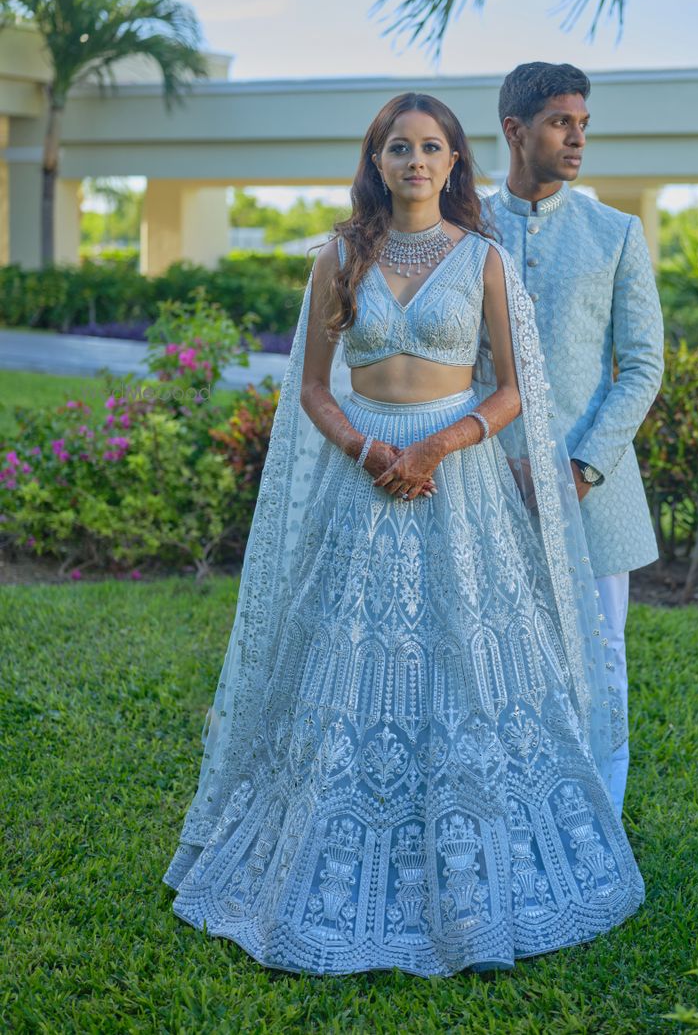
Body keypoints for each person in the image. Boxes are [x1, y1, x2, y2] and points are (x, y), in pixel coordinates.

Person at [163, 92, 644, 977]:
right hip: (365, 479)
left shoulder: (488, 260)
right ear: (376, 160)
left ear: (456, 162)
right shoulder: (339, 257)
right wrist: (368, 448)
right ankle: (309, 852)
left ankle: (485, 858)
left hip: (457, 488)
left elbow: (511, 391)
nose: (416, 160)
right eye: (399, 147)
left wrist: (436, 447)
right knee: (341, 665)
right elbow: (312, 387)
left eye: (431, 146)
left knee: (465, 659)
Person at [482, 63, 665, 818]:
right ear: (515, 131)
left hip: (595, 491)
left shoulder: (615, 233)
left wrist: (579, 468)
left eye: (584, 123)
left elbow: (643, 365)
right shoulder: (466, 232)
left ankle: (596, 822)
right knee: (493, 658)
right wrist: (496, 463)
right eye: (562, 122)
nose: (578, 137)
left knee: (600, 659)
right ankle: (509, 808)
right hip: (485, 483)